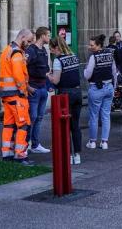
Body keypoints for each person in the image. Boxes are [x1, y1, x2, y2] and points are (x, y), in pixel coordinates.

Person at [0, 29, 35, 165]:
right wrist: (24, 90)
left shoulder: (7, 50)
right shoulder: (17, 53)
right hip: (17, 95)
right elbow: (18, 76)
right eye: (29, 40)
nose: (29, 43)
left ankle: (6, 154)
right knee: (24, 125)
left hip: (6, 95)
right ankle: (20, 156)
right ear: (23, 37)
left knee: (8, 125)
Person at [48, 37, 83, 165]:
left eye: (51, 49)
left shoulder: (58, 61)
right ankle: (77, 155)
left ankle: (68, 155)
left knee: (65, 127)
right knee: (75, 125)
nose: (51, 51)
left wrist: (48, 75)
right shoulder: (73, 56)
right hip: (77, 93)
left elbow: (56, 80)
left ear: (57, 47)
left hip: (65, 94)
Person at [83, 34, 117, 150]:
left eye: (92, 45)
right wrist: (114, 87)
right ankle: (104, 142)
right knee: (106, 115)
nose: (90, 46)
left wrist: (85, 68)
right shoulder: (109, 55)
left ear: (98, 45)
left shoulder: (93, 57)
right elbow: (114, 72)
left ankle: (92, 142)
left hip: (96, 88)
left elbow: (87, 75)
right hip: (108, 87)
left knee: (94, 116)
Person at [25, 26, 52, 154]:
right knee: (32, 117)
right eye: (48, 35)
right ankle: (25, 143)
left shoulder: (44, 51)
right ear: (42, 36)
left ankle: (35, 144)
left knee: (39, 117)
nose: (49, 37)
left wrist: (48, 84)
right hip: (34, 89)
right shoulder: (31, 50)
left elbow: (46, 69)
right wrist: (27, 86)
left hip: (42, 88)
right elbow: (22, 68)